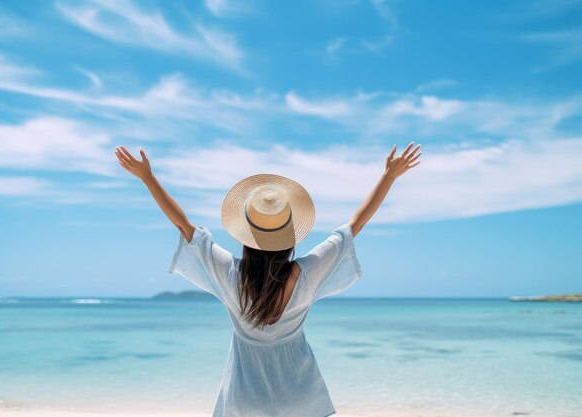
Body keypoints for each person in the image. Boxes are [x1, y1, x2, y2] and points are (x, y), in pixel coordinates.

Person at [114, 142, 421, 417]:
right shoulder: (308, 272)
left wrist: (147, 178)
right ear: (290, 237)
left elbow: (184, 226)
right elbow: (355, 225)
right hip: (301, 396)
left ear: (246, 236)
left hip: (246, 399)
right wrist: (389, 176)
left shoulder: (230, 274)